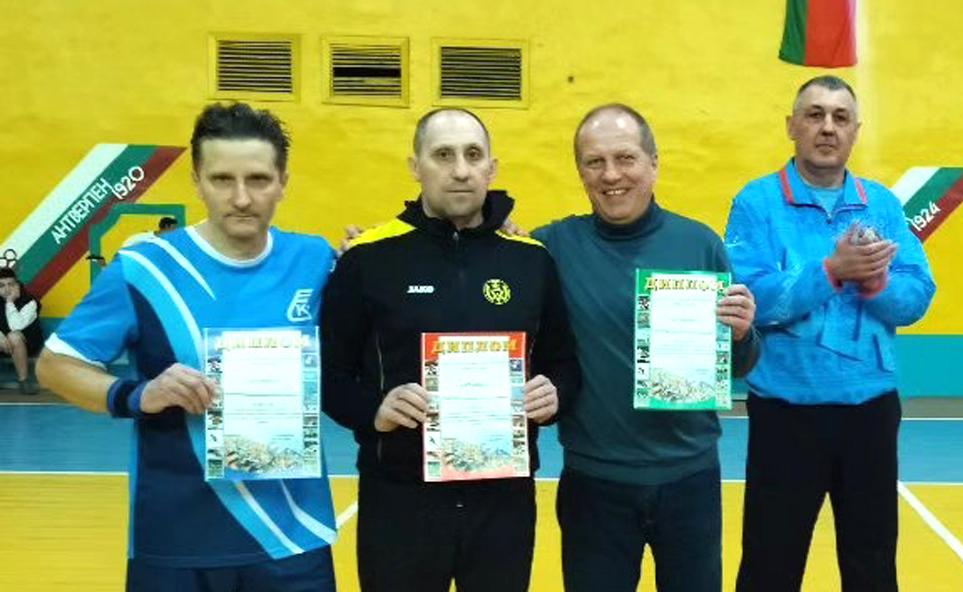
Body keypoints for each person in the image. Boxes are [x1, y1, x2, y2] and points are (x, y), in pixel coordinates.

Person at [36, 102, 338, 592]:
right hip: (175, 538)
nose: (241, 198)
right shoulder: (145, 269)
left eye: (259, 179)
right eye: (222, 179)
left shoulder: (315, 259)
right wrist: (137, 395)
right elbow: (55, 365)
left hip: (292, 537)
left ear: (283, 182)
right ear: (197, 181)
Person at [321, 107, 580, 592]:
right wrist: (374, 410)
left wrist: (555, 394)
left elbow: (563, 363)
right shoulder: (367, 259)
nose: (460, 169)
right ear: (415, 166)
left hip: (503, 503)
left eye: (473, 155)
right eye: (443, 155)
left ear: (492, 168)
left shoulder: (531, 261)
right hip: (400, 501)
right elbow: (329, 375)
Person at [533, 103, 760, 592]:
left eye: (626, 158)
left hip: (690, 480)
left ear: (653, 164)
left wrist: (743, 332)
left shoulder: (699, 244)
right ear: (580, 172)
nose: (611, 175)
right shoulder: (551, 247)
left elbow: (740, 364)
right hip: (594, 484)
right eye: (595, 162)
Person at [724, 75, 936, 591]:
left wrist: (877, 284)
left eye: (840, 118)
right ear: (791, 126)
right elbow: (750, 299)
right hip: (784, 414)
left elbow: (917, 296)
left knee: (872, 566)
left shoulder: (881, 205)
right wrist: (832, 271)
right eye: (814, 114)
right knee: (770, 566)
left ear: (855, 131)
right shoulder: (756, 203)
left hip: (871, 414)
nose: (827, 127)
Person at [0, 267, 42, 394]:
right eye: (2, 285)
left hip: (27, 343)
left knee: (14, 336)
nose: (7, 289)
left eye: (10, 284)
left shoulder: (30, 302)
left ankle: (23, 381)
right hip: (2, 344)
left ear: (17, 285)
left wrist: (9, 302)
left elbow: (16, 326)